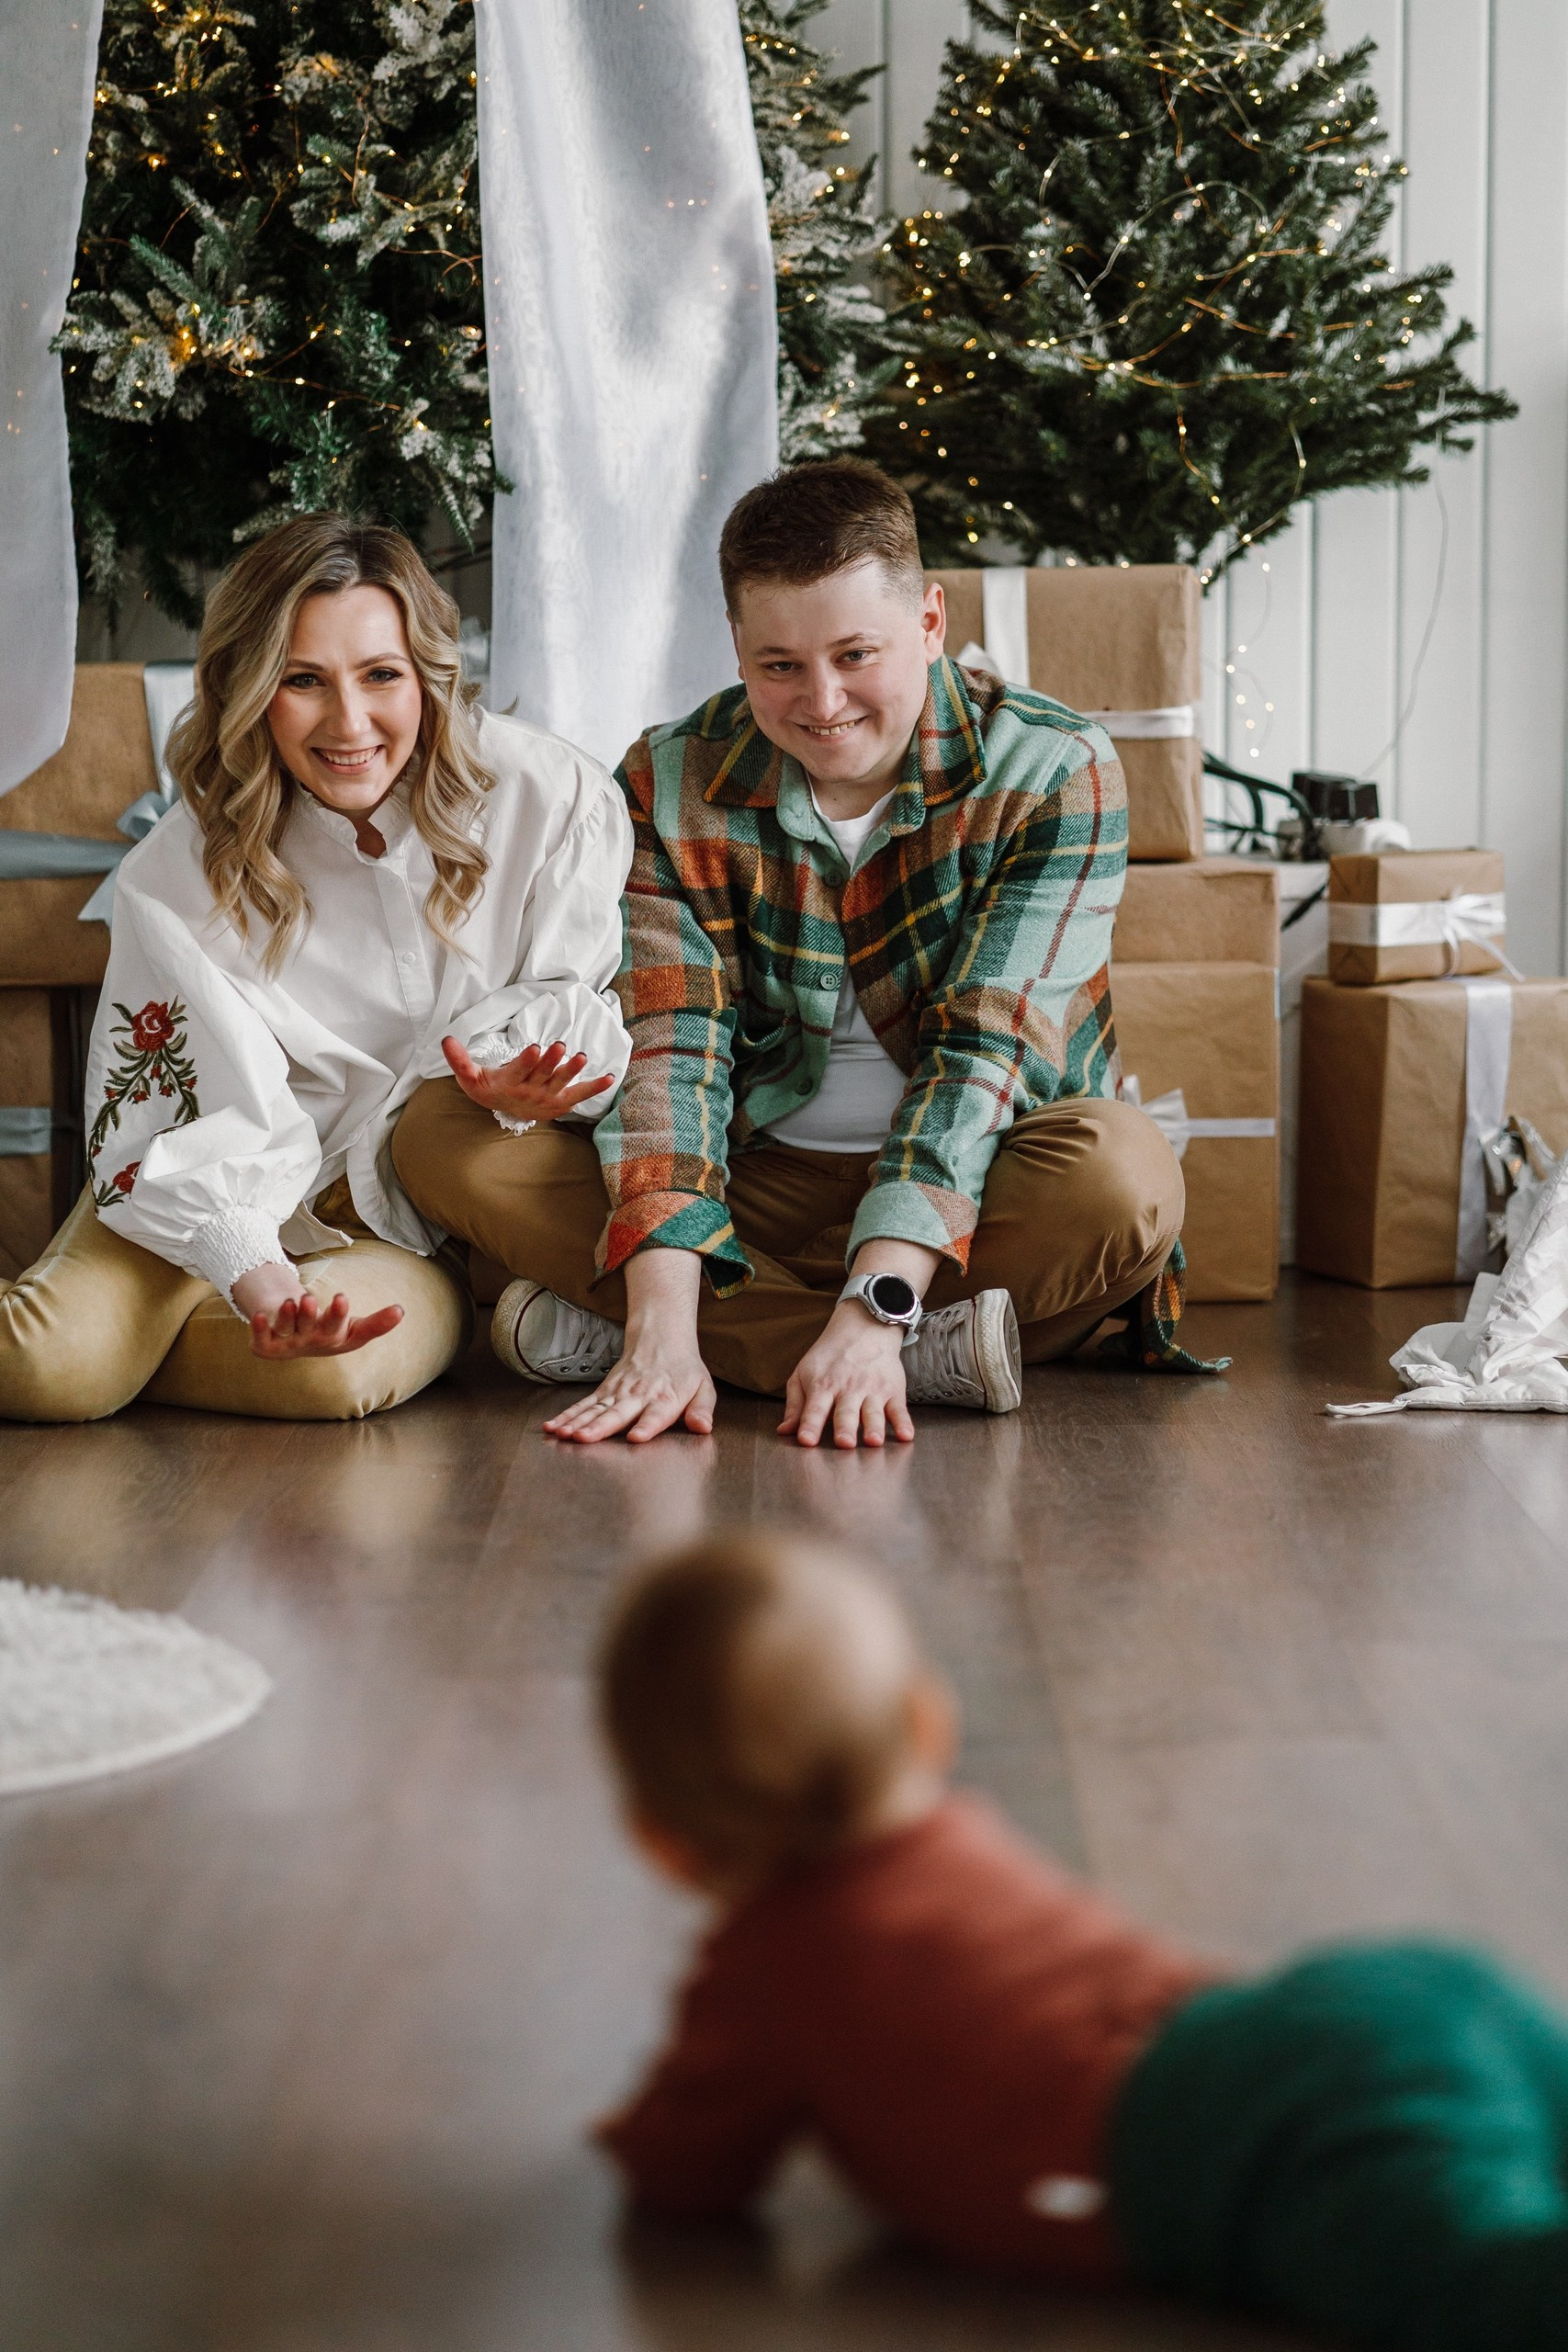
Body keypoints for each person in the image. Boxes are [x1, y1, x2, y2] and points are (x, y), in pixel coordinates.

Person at [595, 1531, 1568, 2351]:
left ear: (662, 1843)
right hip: (1368, 2000)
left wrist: (638, 2142)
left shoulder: (763, 1968)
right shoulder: (963, 1833)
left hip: (1224, 2153)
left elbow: (688, 2169)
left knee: (1489, 2282)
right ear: (928, 1726)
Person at [396, 458, 1194, 1453]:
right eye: (778, 665)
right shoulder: (667, 777)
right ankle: (886, 1350)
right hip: (755, 1175)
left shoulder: (1053, 767)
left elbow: (983, 1056)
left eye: (857, 655)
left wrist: (872, 1300)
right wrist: (663, 1314)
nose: (822, 702)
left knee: (1127, 1177)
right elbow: (670, 1047)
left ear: (932, 622)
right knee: (438, 1131)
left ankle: (745, 1331)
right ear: (736, 646)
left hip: (983, 1179)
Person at [0, 514, 632, 1423]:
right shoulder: (181, 868)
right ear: (251, 689)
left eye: (381, 674)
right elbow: (168, 1117)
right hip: (200, 1176)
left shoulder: (549, 797)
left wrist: (535, 1090)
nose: (349, 722)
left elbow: (574, 999)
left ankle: (121, 1358)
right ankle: (96, 1353)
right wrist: (254, 1279)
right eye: (303, 681)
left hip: (400, 1225)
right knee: (43, 1369)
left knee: (331, 1374)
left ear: (429, 674)